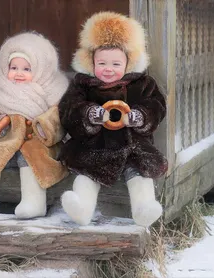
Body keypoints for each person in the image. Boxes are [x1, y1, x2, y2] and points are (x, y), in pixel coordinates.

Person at [58, 12, 168, 227]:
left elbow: (156, 106)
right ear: (90, 62)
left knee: (140, 175)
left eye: (116, 64)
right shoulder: (82, 85)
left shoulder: (142, 84)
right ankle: (81, 208)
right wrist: (90, 114)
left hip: (132, 147)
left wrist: (140, 117)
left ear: (129, 63)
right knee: (86, 175)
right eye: (102, 63)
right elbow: (69, 109)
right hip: (93, 147)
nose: (108, 69)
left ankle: (143, 209)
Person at [0, 32, 69, 219]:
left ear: (42, 69)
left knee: (31, 159)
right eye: (14, 67)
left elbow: (59, 117)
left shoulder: (55, 90)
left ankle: (34, 202)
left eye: (27, 69)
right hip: (6, 138)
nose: (19, 73)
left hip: (37, 141)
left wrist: (44, 127)